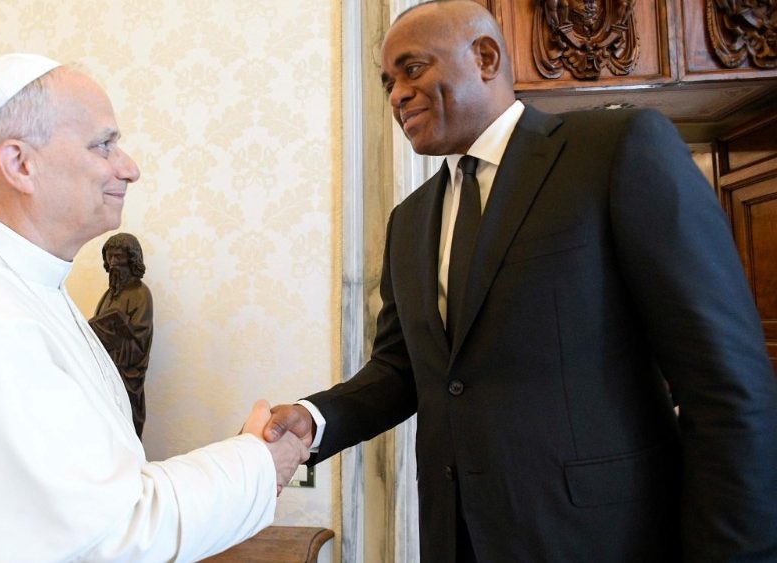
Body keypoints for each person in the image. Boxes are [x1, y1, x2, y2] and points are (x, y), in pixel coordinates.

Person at [264, 2, 777, 562]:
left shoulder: (615, 149)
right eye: (388, 82)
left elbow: (725, 380)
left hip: (603, 540)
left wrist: (737, 551)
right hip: (456, 538)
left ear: (485, 57)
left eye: (412, 70)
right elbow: (402, 369)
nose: (395, 95)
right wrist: (313, 420)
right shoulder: (408, 220)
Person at [0, 53, 308, 563]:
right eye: (104, 145)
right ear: (20, 164)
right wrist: (259, 462)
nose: (129, 168)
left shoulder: (18, 285)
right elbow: (109, 536)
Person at [90, 232, 154, 438]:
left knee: (127, 432)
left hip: (127, 379)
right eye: (110, 257)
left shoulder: (140, 294)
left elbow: (139, 345)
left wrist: (116, 332)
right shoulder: (108, 295)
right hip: (104, 377)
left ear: (132, 259)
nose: (113, 263)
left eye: (119, 257)